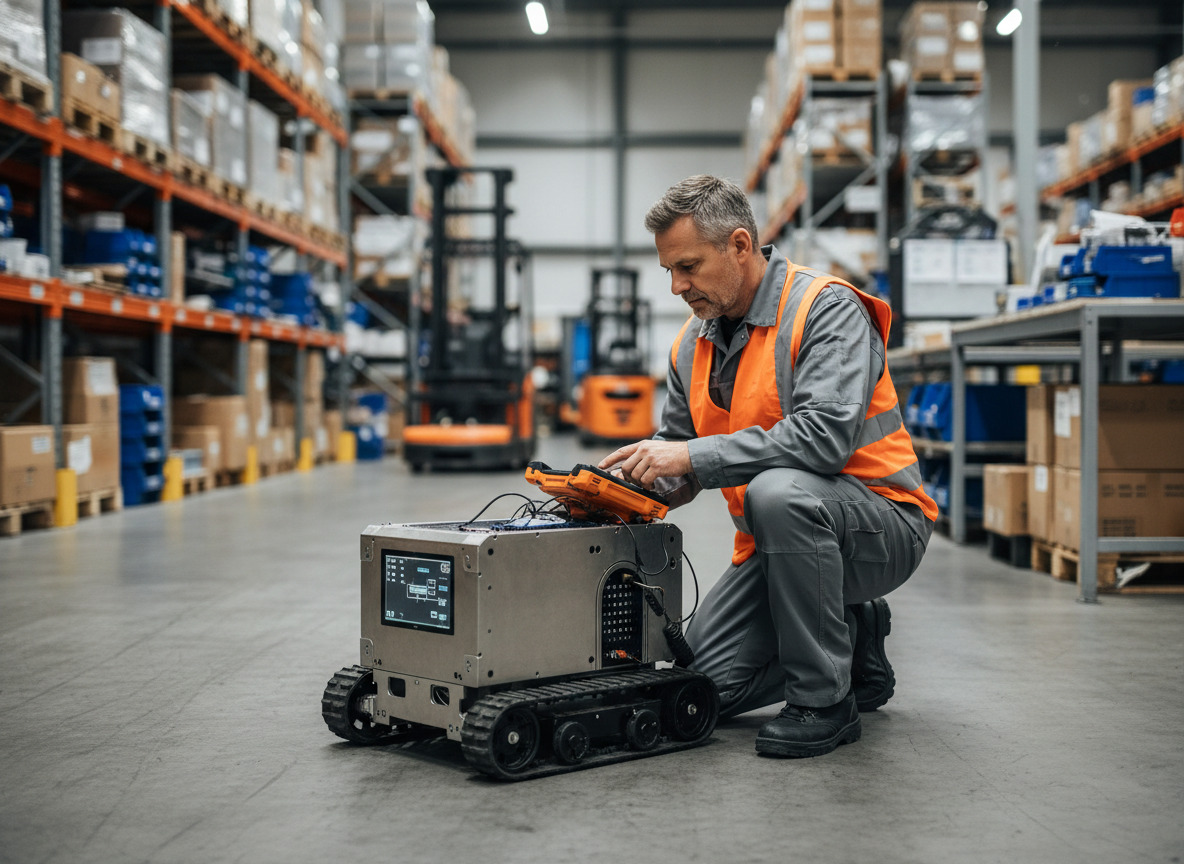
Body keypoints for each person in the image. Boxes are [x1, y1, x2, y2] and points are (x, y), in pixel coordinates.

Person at [599, 175, 936, 758]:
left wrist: (689, 455)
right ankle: (853, 643)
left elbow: (823, 440)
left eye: (689, 266)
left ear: (738, 245)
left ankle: (825, 701)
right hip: (779, 544)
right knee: (700, 688)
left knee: (779, 493)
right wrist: (637, 482)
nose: (677, 286)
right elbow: (683, 453)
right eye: (669, 272)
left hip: (882, 526)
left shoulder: (825, 309)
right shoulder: (690, 344)